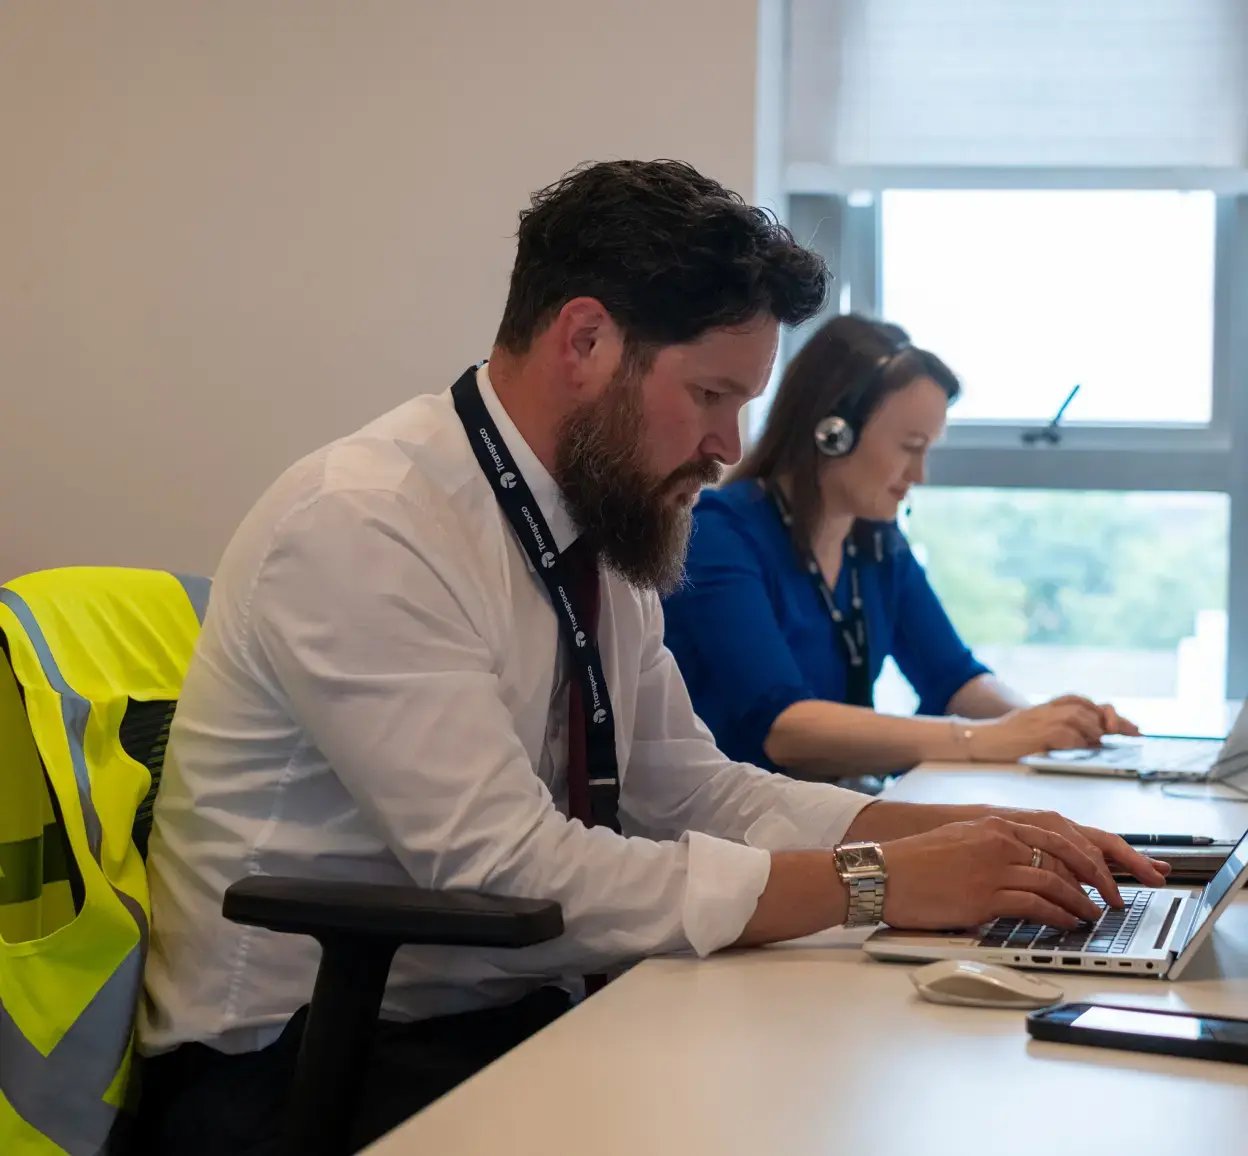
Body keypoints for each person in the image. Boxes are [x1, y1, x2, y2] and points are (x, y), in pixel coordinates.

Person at [137, 162, 1166, 1154]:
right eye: (712, 395)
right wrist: (878, 882)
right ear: (585, 340)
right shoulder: (367, 524)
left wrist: (978, 837)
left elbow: (695, 788)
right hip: (300, 1068)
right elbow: (510, 871)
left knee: (852, 1087)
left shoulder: (608, 515)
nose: (729, 444)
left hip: (509, 1016)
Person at [662, 313, 1140, 782]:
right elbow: (783, 729)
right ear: (832, 433)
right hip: (738, 835)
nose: (919, 475)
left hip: (822, 818)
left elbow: (954, 678)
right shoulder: (721, 535)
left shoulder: (875, 543)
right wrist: (988, 739)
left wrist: (1047, 725)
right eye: (910, 446)